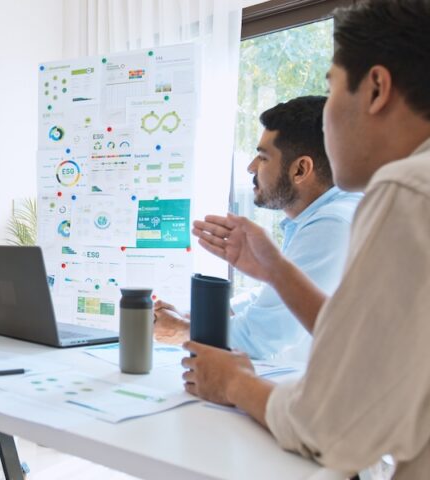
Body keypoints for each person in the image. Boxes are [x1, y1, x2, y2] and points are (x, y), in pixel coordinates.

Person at [182, 1, 430, 477]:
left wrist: (234, 384)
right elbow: (376, 347)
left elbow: (333, 426)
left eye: (331, 87)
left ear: (376, 88)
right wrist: (274, 269)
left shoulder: (406, 191)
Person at [154, 96, 361, 360]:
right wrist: (195, 319)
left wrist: (183, 330)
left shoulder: (331, 225)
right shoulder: (325, 217)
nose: (251, 167)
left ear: (300, 169)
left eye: (263, 157)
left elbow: (262, 337)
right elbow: (274, 299)